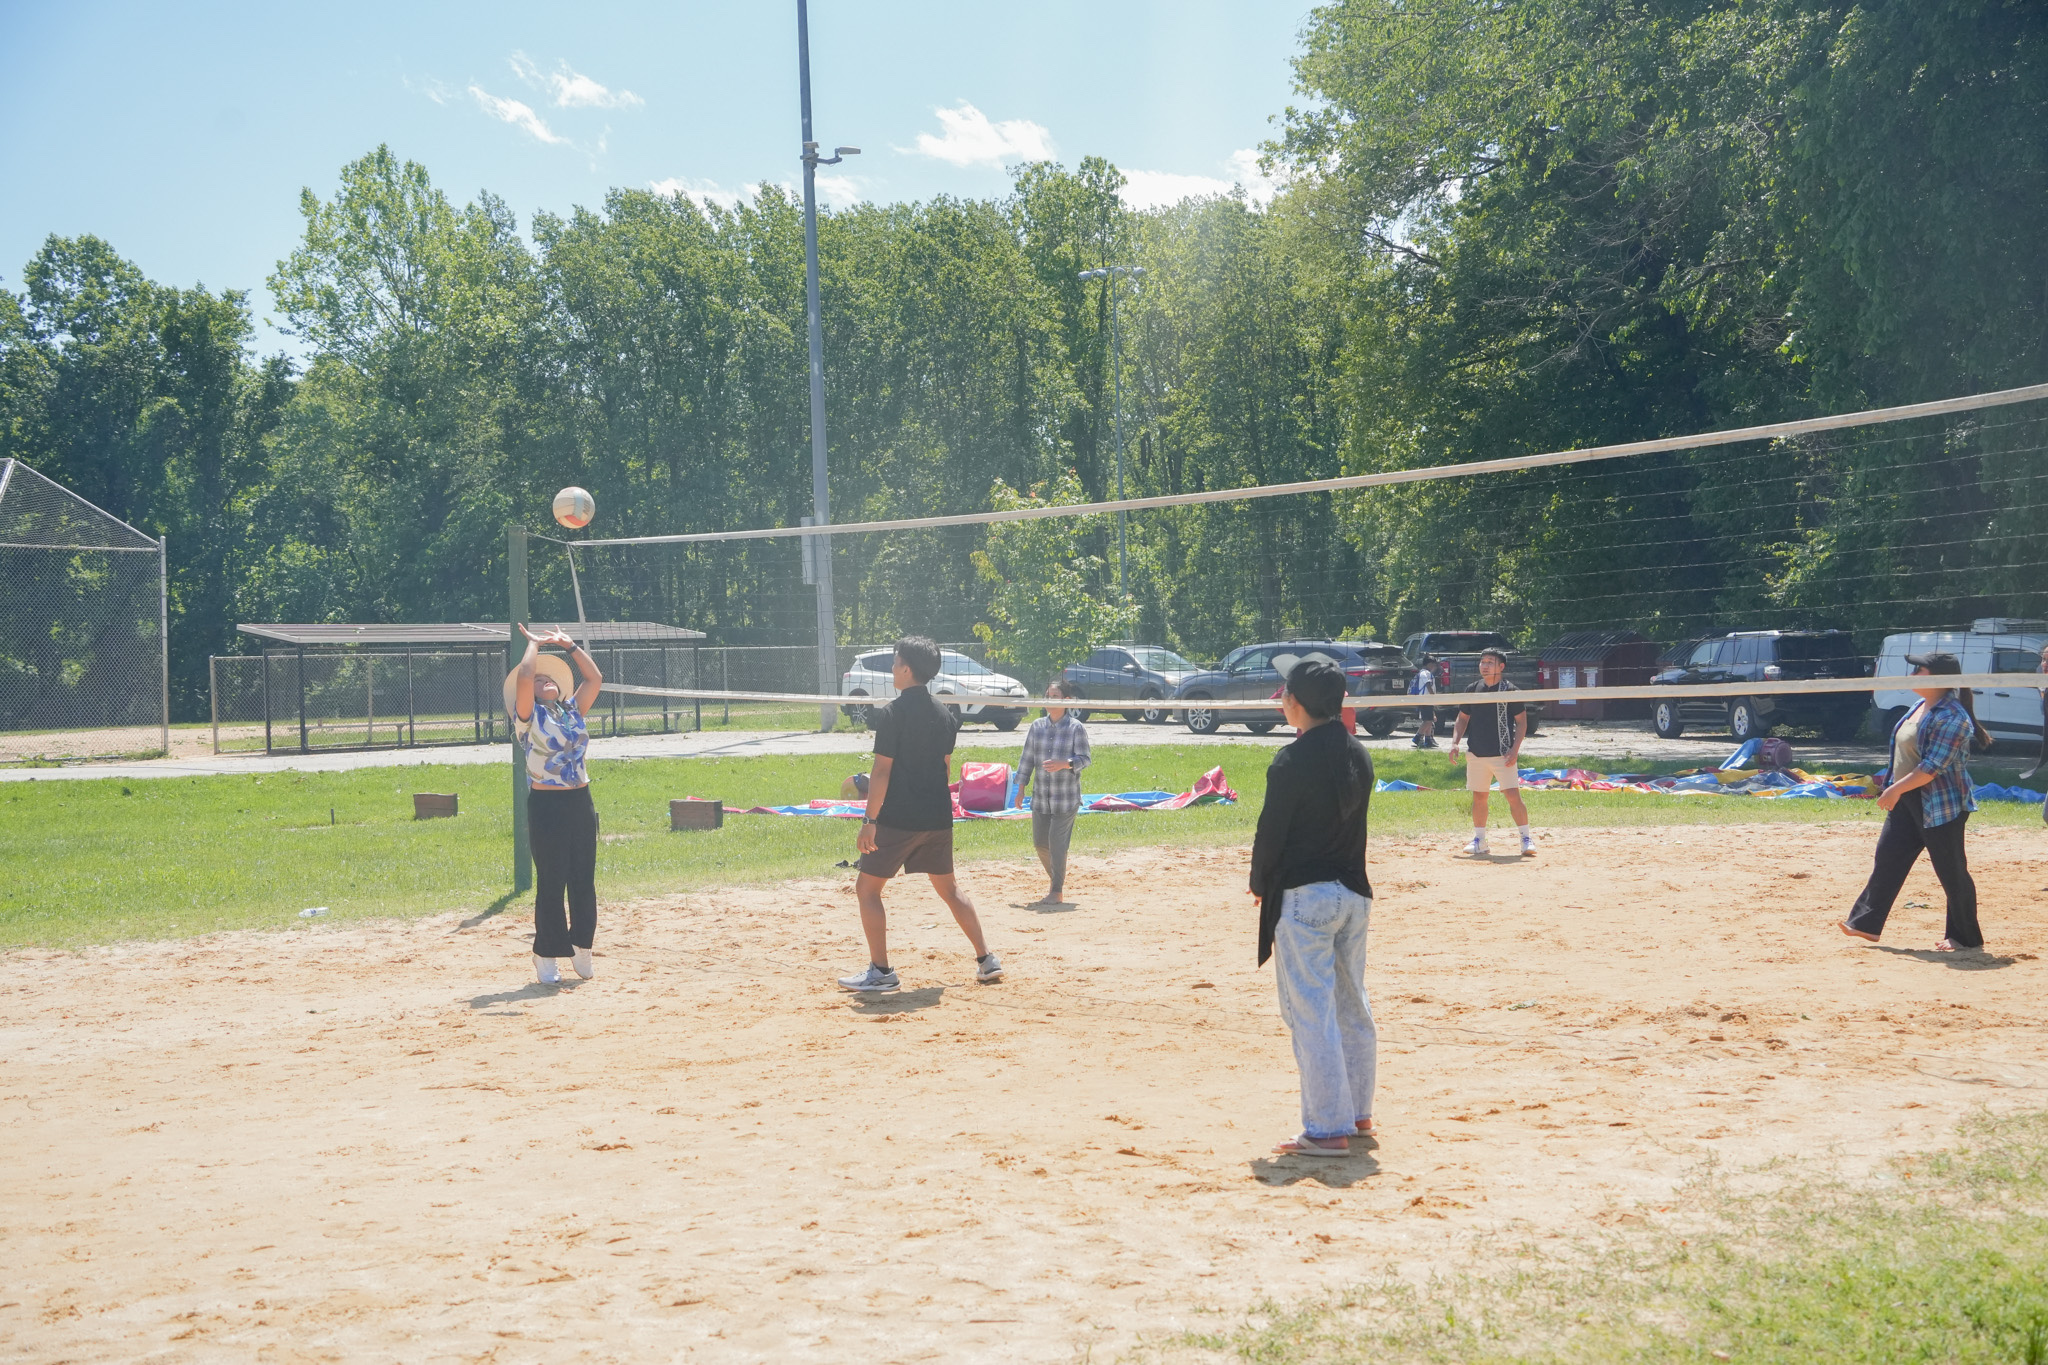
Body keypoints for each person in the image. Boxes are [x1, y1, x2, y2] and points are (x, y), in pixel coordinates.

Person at [1251, 656, 1378, 1158]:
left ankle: (1326, 1128)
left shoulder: (1291, 760)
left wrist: (1259, 883)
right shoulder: (1358, 753)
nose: (1281, 699)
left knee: (1312, 1013)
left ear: (1296, 703)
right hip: (1354, 896)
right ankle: (1357, 1113)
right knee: (1351, 1006)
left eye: (1284, 692)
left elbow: (1271, 833)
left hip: (1307, 898)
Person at [839, 636, 1003, 992]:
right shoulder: (945, 714)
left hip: (899, 819)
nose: (892, 668)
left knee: (867, 889)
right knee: (950, 889)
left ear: (906, 669)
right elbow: (945, 768)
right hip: (938, 817)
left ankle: (881, 971)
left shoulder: (892, 713)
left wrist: (869, 822)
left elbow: (881, 772)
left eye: (895, 662)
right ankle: (987, 959)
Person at [1840, 652, 1990, 952]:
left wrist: (1894, 790)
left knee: (1951, 870)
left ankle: (1965, 938)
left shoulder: (1954, 717)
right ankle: (1865, 925)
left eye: (1919, 670)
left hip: (1940, 803)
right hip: (1907, 797)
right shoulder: (1918, 706)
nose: (1911, 676)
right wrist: (1894, 787)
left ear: (1940, 678)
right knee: (1888, 858)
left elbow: (1932, 767)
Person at [506, 625, 605, 985]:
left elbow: (595, 678)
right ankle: (546, 953)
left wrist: (570, 645)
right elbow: (525, 675)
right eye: (539, 680)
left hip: (580, 800)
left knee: (583, 879)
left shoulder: (571, 709)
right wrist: (534, 645)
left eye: (549, 678)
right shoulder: (528, 717)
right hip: (547, 805)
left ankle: (582, 945)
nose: (544, 680)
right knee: (552, 880)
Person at [1447, 648, 1535, 857]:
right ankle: (1480, 840)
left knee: (1513, 796)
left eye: (1490, 662)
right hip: (1477, 753)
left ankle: (1525, 838)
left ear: (1501, 666)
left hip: (1503, 754)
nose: (1484, 665)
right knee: (1479, 797)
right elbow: (1462, 718)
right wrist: (1454, 743)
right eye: (1482, 661)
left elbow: (1522, 722)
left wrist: (1515, 750)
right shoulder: (1472, 689)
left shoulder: (1510, 690)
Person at [1015, 679, 1092, 906]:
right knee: (1040, 844)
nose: (1049, 699)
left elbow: (1085, 759)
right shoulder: (1037, 727)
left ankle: (1056, 890)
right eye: (1047, 695)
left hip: (1066, 799)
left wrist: (1065, 763)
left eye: (1054, 696)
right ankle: (1057, 879)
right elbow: (1027, 759)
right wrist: (1020, 789)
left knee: (1057, 844)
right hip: (1041, 798)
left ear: (1067, 700)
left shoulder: (1076, 728)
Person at [1408, 657, 1439, 749]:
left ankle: (1428, 739)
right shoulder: (1425, 673)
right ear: (1428, 664)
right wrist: (1433, 695)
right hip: (1426, 700)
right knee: (1428, 721)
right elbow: (1428, 684)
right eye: (1433, 665)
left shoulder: (1422, 673)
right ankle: (1417, 737)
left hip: (1426, 700)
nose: (1434, 667)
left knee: (1429, 719)